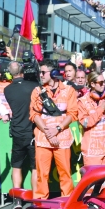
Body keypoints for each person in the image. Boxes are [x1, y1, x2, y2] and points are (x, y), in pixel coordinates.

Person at [30, 60, 78, 198]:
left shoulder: (68, 90)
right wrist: (48, 133)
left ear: (53, 73)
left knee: (65, 172)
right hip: (43, 137)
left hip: (62, 137)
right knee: (42, 174)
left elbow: (72, 113)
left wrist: (57, 129)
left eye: (43, 72)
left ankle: (66, 200)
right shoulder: (37, 91)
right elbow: (34, 115)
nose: (40, 75)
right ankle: (40, 202)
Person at [4, 61, 38, 200]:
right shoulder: (34, 86)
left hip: (17, 131)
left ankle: (17, 199)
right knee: (35, 167)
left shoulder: (7, 89)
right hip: (32, 130)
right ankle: (36, 198)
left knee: (16, 166)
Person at [78, 71, 105, 166]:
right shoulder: (82, 101)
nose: (103, 84)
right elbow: (85, 123)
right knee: (94, 180)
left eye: (104, 82)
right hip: (92, 150)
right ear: (92, 84)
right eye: (100, 83)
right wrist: (100, 110)